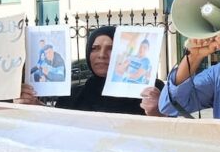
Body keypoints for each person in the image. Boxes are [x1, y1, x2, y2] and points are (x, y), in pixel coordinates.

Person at [16, 25, 163, 116]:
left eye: (110, 48)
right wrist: (34, 105)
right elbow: (57, 124)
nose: (101, 55)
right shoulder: (73, 96)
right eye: (95, 48)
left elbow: (172, 133)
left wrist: (156, 112)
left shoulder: (150, 92)